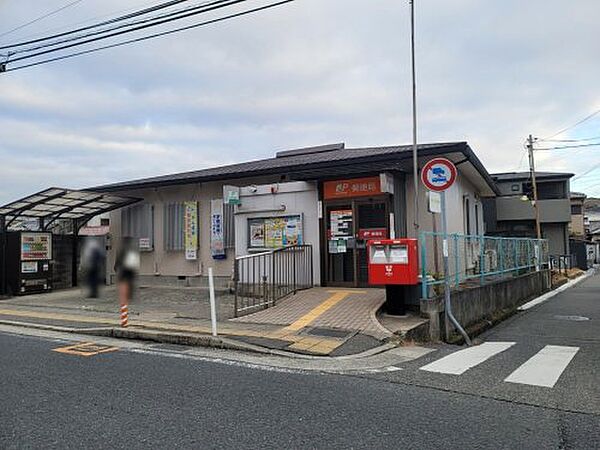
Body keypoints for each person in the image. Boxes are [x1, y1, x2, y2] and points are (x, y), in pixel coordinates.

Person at [114, 238, 139, 305]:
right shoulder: (132, 249)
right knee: (130, 282)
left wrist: (116, 267)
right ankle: (129, 295)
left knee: (123, 282)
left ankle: (124, 296)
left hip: (124, 269)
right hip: (130, 269)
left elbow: (118, 259)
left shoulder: (121, 249)